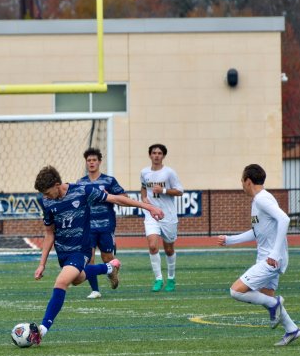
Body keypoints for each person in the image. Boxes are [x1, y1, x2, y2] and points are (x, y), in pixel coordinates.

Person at [29, 165, 164, 345]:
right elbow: (49, 233)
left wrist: (148, 207)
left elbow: (116, 199)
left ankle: (41, 331)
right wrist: (42, 263)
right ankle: (110, 267)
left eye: (47, 192)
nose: (45, 197)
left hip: (81, 250)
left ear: (57, 184)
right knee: (77, 280)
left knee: (61, 282)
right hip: (63, 252)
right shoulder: (46, 202)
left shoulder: (83, 191)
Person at [216, 163, 300, 346]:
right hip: (268, 258)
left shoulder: (263, 199)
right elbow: (257, 231)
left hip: (271, 260)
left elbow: (284, 219)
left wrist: (275, 253)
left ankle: (275, 304)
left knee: (236, 291)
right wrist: (230, 240)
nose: (241, 184)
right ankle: (292, 330)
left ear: (248, 181)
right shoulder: (259, 200)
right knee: (265, 296)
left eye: (242, 180)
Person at [77, 147, 126, 299]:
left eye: (94, 160)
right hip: (88, 227)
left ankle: (112, 271)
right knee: (89, 258)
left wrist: (109, 195)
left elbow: (123, 196)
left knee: (107, 258)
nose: (91, 163)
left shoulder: (109, 180)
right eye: (89, 160)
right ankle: (95, 290)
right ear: (86, 163)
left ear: (99, 162)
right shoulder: (81, 183)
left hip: (106, 225)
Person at [140, 143, 184, 292]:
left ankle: (171, 278)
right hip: (151, 213)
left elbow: (180, 191)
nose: (156, 155)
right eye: (154, 153)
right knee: (152, 245)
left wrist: (163, 190)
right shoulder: (144, 172)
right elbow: (143, 187)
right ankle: (158, 279)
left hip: (168, 215)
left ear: (163, 156)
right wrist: (144, 199)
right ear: (150, 155)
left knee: (169, 248)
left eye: (159, 153)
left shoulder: (169, 173)